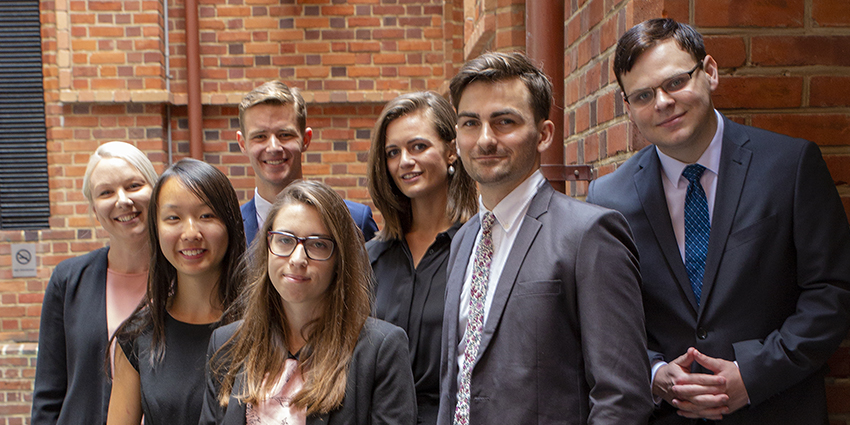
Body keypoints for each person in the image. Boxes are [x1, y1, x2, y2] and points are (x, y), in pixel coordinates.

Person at [586, 18, 850, 424]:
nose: (662, 103)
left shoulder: (790, 167)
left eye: (675, 82)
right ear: (627, 108)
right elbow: (603, 319)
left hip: (778, 408)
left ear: (709, 72)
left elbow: (833, 290)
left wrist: (755, 375)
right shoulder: (608, 199)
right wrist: (653, 372)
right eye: (642, 95)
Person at [437, 51, 653, 425]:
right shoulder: (462, 241)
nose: (485, 139)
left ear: (544, 134)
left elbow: (622, 397)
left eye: (504, 121)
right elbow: (458, 379)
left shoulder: (588, 235)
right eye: (471, 123)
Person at [199, 180, 416, 425]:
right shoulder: (226, 345)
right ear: (267, 248)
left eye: (318, 244)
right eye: (284, 240)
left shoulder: (380, 350)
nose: (298, 258)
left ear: (339, 260)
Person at [106, 159, 247, 425]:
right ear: (156, 230)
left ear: (230, 224)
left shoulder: (267, 323)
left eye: (206, 216)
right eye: (173, 218)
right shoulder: (138, 336)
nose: (191, 232)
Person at [366, 91, 477, 424]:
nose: (404, 162)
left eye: (418, 147)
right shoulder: (371, 258)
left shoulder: (478, 249)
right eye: (393, 152)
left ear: (451, 151)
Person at [31, 142, 157, 425]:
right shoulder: (68, 280)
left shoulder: (183, 278)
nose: (122, 200)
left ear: (156, 191)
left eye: (134, 185)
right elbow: (48, 394)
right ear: (94, 208)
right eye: (106, 192)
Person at [237, 81, 377, 245]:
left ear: (305, 139)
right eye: (260, 136)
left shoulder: (355, 221)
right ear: (242, 144)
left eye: (285, 135)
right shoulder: (230, 228)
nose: (273, 147)